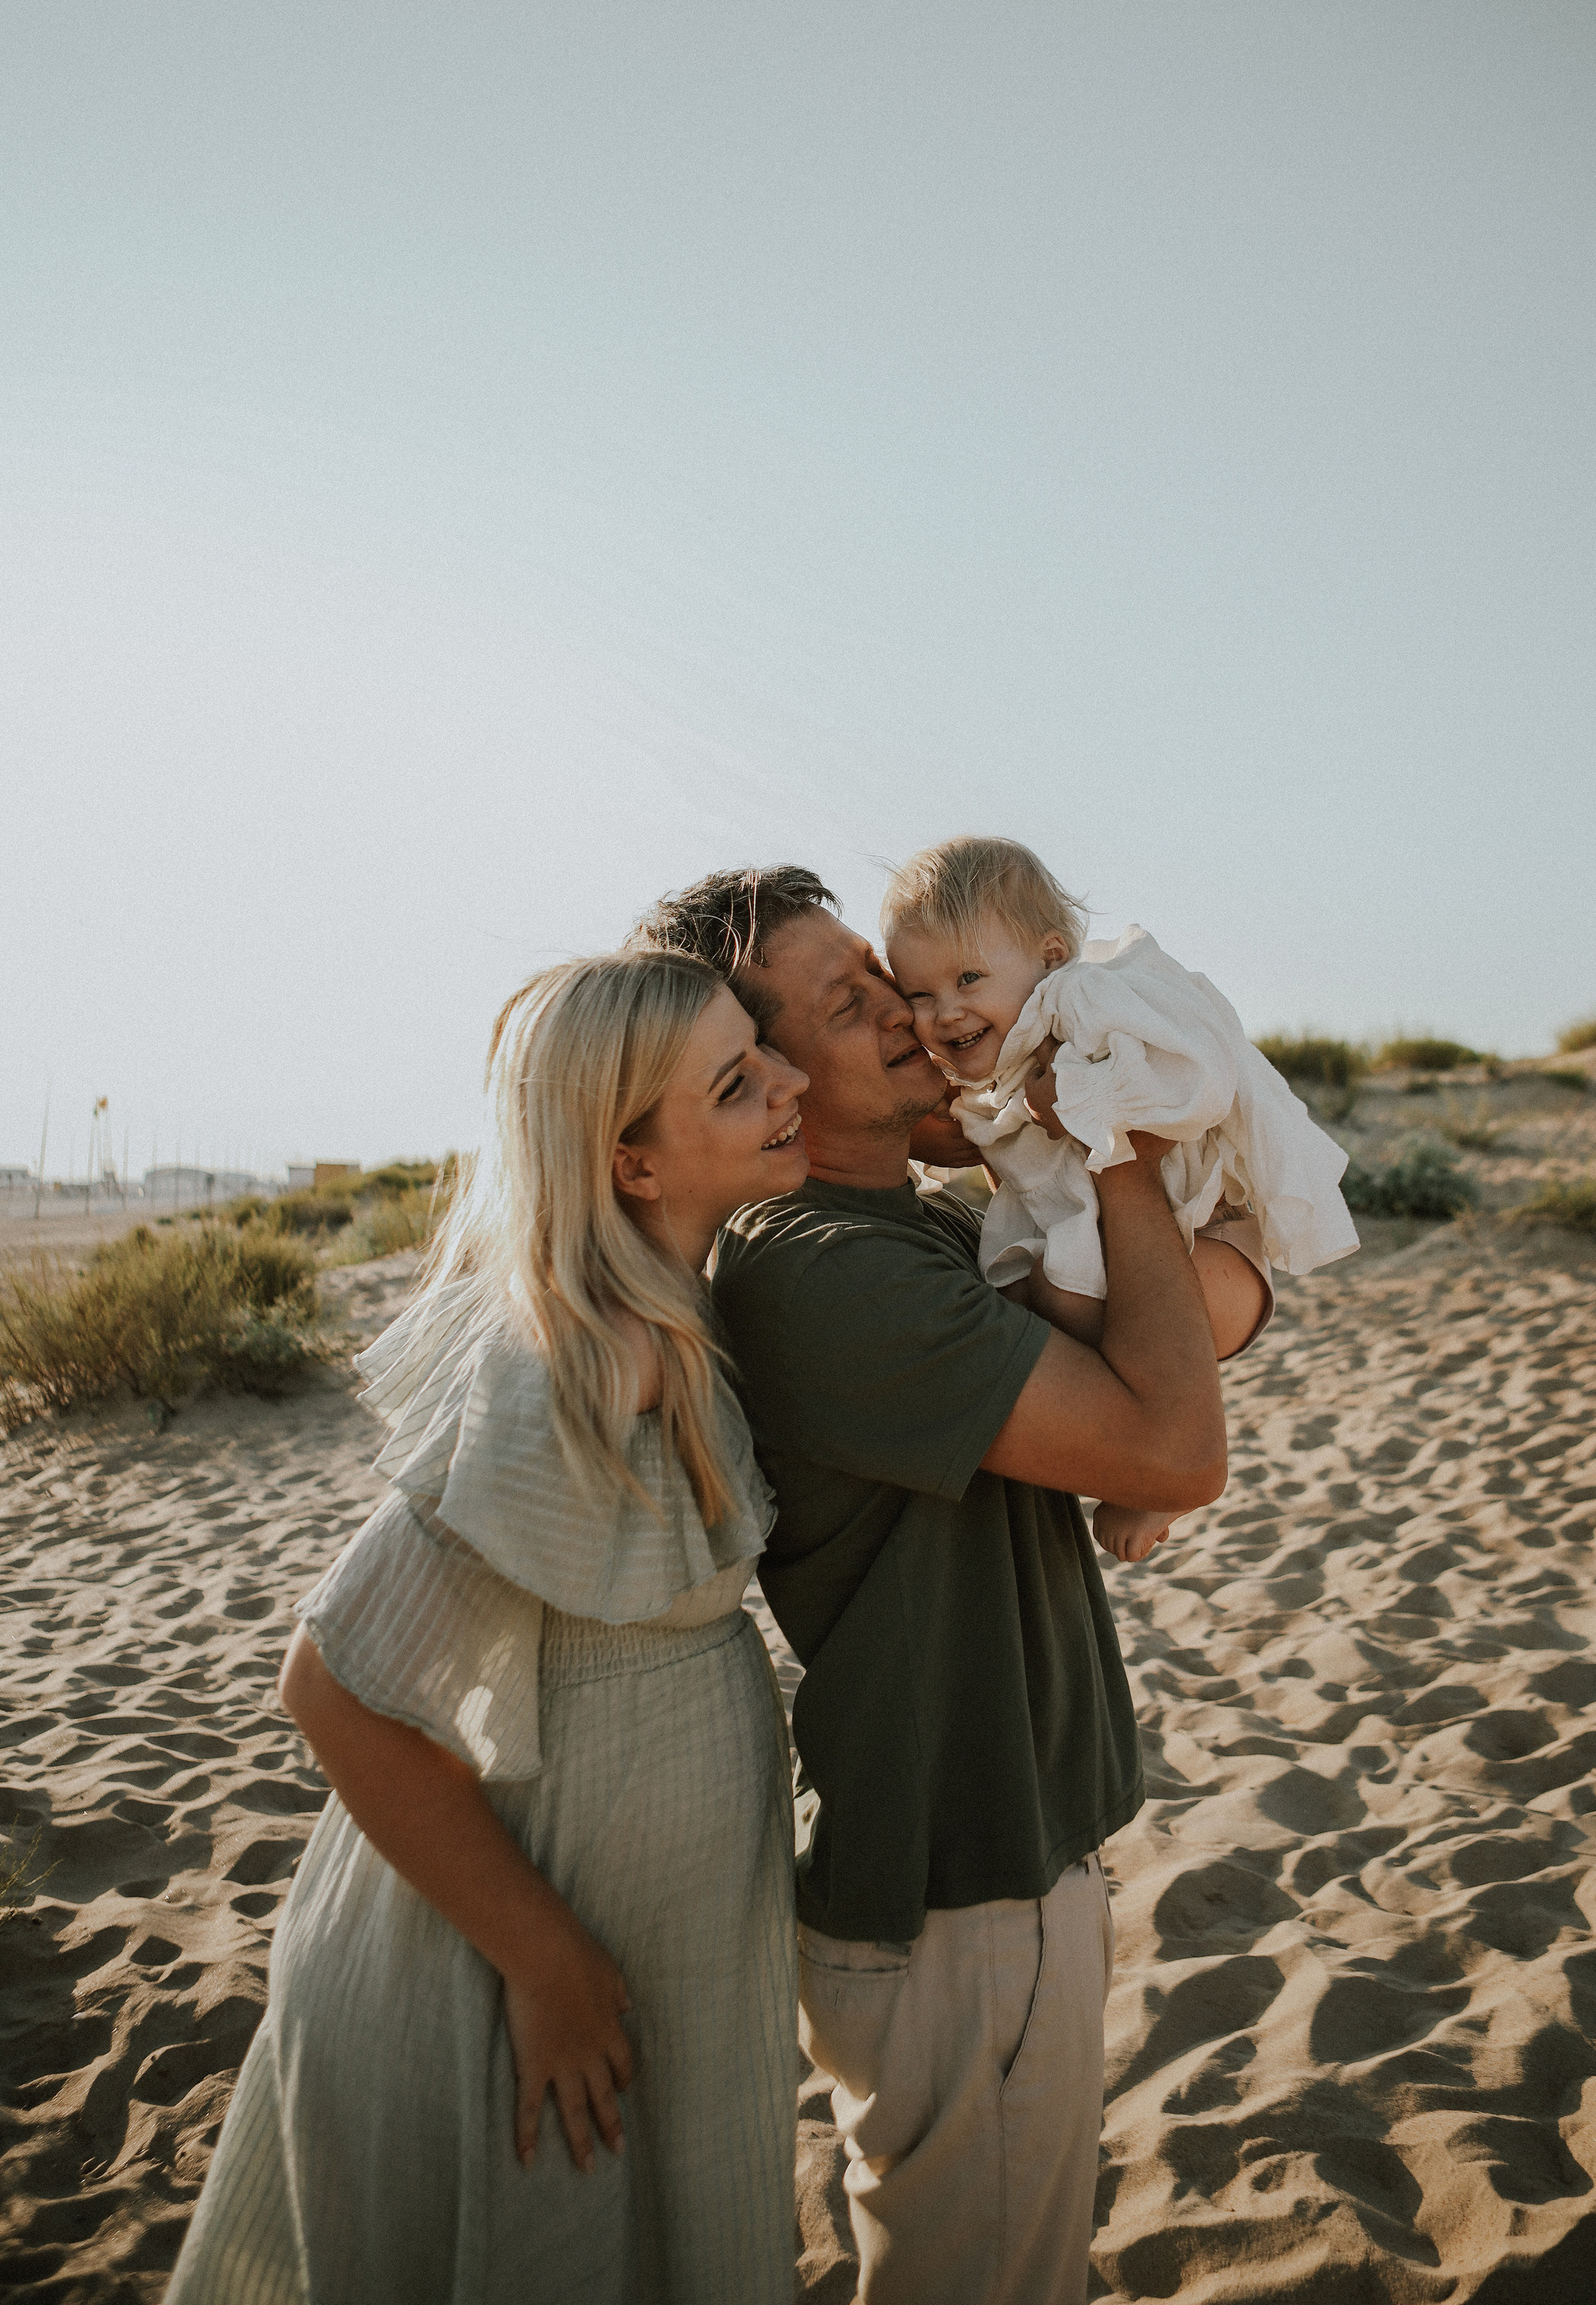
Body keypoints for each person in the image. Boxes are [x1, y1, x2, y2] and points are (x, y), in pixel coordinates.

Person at [628, 866, 1273, 2305]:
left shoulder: (919, 1225)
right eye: (858, 1004)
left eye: (899, 980)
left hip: (990, 1878)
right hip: (954, 1898)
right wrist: (1103, 1132)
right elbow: (1171, 1447)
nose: (919, 1017)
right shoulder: (820, 1269)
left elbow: (1192, 1330)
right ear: (764, 1075)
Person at [166, 950, 806, 2305]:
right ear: (632, 1164)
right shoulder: (583, 1360)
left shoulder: (671, 1313)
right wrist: (548, 1963)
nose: (790, 1084)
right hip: (500, 1967)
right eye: (739, 1082)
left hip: (620, 1944)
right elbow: (332, 1686)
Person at [882, 834, 1355, 1559]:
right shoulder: (1003, 1063)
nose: (945, 1012)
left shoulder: (1089, 1002)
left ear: (1047, 958)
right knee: (1016, 1305)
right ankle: (1134, 1445)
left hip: (1212, 1261)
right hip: (1154, 1277)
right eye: (920, 994)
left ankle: (1157, 1473)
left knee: (1062, 1301)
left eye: (969, 978)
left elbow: (1196, 1072)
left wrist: (1089, 1100)